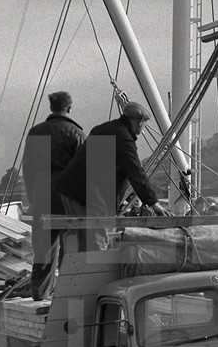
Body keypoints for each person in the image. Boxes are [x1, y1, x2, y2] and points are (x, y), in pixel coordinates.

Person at [55, 100, 164, 253]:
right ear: (139, 122)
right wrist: (153, 203)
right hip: (87, 195)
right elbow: (135, 171)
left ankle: (73, 273)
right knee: (96, 241)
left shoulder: (104, 129)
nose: (143, 127)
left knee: (75, 239)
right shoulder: (123, 138)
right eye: (144, 123)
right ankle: (95, 274)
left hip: (71, 190)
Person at [22, 90, 87, 290]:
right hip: (68, 199)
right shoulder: (76, 133)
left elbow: (28, 168)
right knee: (71, 249)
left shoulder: (36, 132)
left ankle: (40, 291)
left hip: (42, 197)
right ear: (69, 108)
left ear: (51, 108)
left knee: (43, 249)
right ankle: (66, 293)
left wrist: (33, 197)